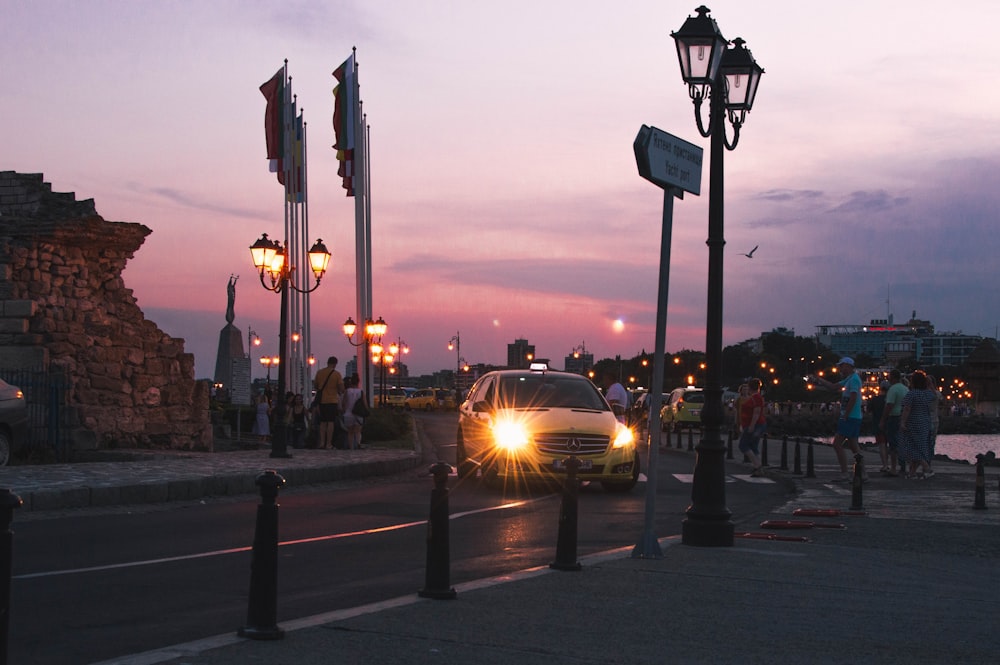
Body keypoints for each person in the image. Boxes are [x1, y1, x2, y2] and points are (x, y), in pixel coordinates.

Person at [808, 357, 866, 481]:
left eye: (842, 366)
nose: (840, 368)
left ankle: (845, 473)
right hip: (852, 416)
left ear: (848, 366)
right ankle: (862, 473)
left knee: (837, 444)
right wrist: (819, 379)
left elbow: (854, 397)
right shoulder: (850, 379)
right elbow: (833, 387)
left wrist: (846, 414)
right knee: (854, 445)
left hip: (850, 417)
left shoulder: (854, 379)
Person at [899, 370, 936, 479]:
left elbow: (907, 409)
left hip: (913, 424)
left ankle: (927, 469)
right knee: (921, 446)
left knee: (912, 447)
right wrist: (930, 383)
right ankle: (912, 473)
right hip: (925, 423)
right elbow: (935, 395)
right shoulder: (927, 394)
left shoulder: (911, 394)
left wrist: (902, 422)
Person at [879, 369, 908, 476]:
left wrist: (882, 420)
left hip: (894, 418)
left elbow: (889, 405)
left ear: (893, 377)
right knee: (902, 442)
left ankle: (893, 468)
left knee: (893, 444)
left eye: (889, 377)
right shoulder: (906, 389)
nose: (888, 378)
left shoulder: (892, 389)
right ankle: (903, 466)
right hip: (904, 418)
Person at [312, 356, 345, 449]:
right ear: (335, 364)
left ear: (327, 362)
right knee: (330, 422)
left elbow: (316, 385)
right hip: (332, 400)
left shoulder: (320, 372)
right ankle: (328, 444)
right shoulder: (337, 374)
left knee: (322, 422)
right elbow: (341, 389)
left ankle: (322, 443)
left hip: (322, 400)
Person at [738, 379, 766, 477]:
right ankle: (757, 466)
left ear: (750, 387)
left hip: (755, 425)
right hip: (754, 424)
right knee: (753, 446)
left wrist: (751, 426)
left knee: (743, 445)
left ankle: (758, 466)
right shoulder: (755, 397)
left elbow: (756, 413)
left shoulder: (756, 398)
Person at [341, 374, 366, 450]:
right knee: (358, 431)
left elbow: (344, 403)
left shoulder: (347, 391)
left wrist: (344, 410)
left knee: (350, 432)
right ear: (358, 382)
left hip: (348, 414)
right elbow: (365, 403)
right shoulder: (361, 392)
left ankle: (351, 446)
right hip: (358, 414)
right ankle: (358, 443)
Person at [869, 381, 889, 474]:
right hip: (889, 424)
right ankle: (894, 464)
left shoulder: (875, 399)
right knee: (892, 445)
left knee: (881, 445)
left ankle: (885, 465)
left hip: (878, 424)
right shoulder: (889, 399)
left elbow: (869, 409)